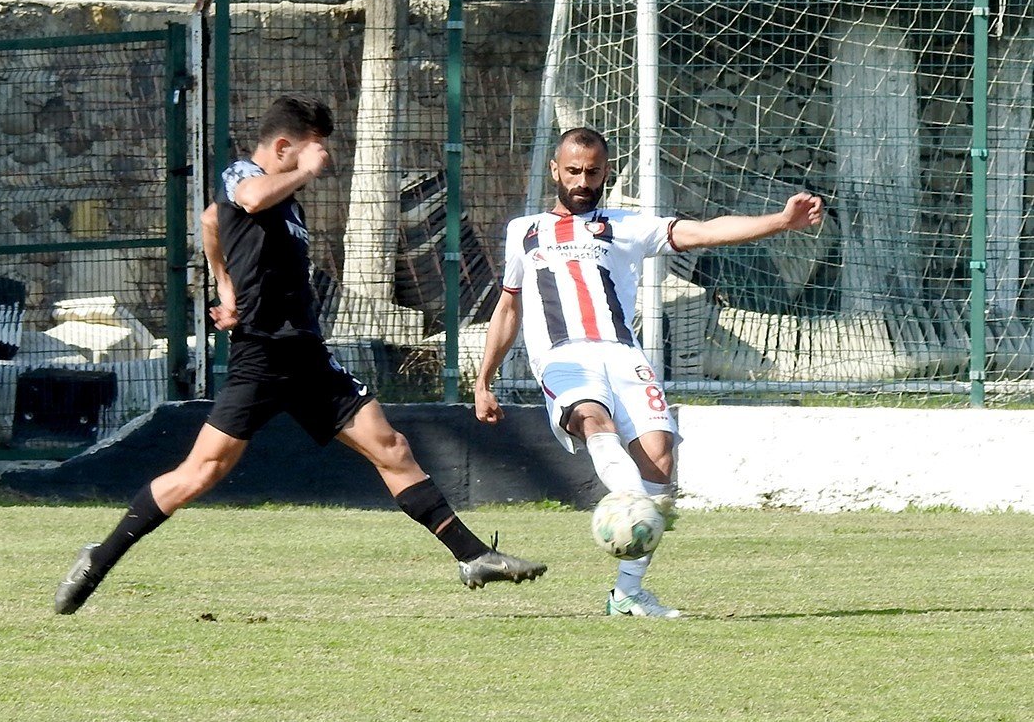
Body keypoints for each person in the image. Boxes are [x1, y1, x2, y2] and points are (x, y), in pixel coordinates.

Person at [54, 95, 546, 614]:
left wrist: (226, 284)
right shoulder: (245, 174)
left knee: (391, 446)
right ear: (284, 146)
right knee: (201, 474)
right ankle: (100, 557)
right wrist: (226, 282)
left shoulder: (285, 202)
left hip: (307, 355)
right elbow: (238, 202)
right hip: (261, 357)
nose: (322, 161)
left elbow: (212, 223)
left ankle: (472, 555)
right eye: (314, 151)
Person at [474, 127, 823, 619]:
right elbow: (508, 310)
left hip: (623, 354)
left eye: (592, 172)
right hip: (562, 354)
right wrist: (483, 380)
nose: (581, 181)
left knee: (659, 460)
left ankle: (628, 592)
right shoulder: (524, 231)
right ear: (555, 170)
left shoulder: (626, 226)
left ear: (605, 173)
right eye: (572, 171)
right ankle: (627, 500)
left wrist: (781, 223)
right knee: (593, 420)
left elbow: (704, 231)